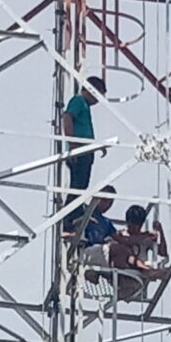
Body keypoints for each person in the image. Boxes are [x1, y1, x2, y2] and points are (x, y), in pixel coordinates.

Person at [84, 204, 169, 301]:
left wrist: (160, 232)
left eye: (138, 226)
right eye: (132, 225)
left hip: (135, 279)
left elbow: (163, 252)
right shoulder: (121, 235)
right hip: (120, 274)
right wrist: (142, 237)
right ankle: (146, 270)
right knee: (121, 250)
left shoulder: (146, 239)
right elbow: (111, 249)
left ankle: (145, 269)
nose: (135, 229)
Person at [62, 76, 107, 228]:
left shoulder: (84, 106)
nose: (98, 100)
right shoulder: (78, 101)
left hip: (85, 150)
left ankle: (76, 213)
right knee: (78, 184)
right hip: (79, 150)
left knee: (82, 185)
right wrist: (72, 145)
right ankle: (69, 218)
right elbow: (67, 118)